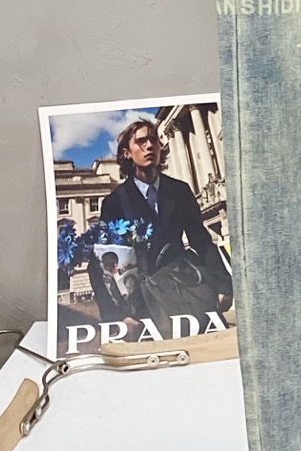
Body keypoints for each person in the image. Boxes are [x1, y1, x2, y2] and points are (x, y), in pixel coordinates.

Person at [100, 118, 233, 335]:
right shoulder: (114, 202)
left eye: (154, 140)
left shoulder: (179, 191)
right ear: (127, 153)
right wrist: (117, 315)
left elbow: (201, 240)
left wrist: (224, 285)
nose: (150, 146)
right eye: (141, 141)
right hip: (144, 302)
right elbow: (102, 263)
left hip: (187, 288)